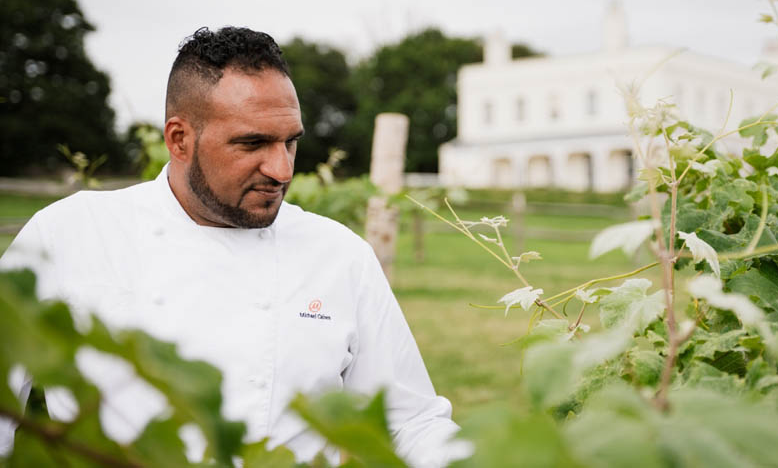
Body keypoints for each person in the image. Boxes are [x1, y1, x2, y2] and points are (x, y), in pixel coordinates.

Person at [0, 26, 464, 466]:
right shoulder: (70, 234)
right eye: (253, 143)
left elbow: (409, 423)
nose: (282, 170)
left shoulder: (340, 255)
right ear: (179, 140)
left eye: (290, 142)